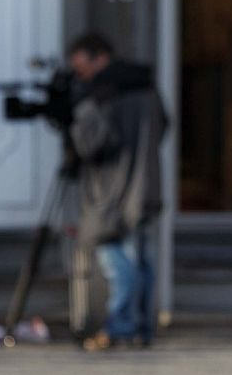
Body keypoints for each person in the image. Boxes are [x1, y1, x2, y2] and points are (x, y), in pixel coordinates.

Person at [66, 32, 170, 350]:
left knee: (117, 260)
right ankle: (142, 328)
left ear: (100, 59)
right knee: (141, 260)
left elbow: (93, 144)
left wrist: (78, 112)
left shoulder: (100, 95)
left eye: (82, 68)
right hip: (145, 185)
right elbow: (164, 126)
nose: (80, 76)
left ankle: (120, 327)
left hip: (111, 191)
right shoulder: (145, 86)